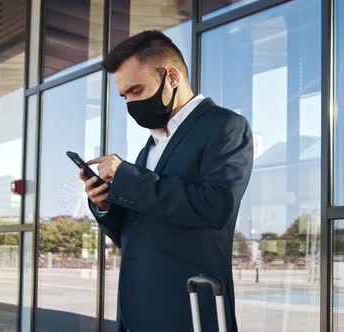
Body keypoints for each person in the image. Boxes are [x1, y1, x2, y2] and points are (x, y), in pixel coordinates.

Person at [79, 30, 253, 332]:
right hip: (136, 314)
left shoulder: (225, 126)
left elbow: (215, 206)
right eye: (124, 96)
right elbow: (139, 232)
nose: (130, 104)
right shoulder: (151, 145)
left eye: (136, 90)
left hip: (188, 311)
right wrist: (107, 205)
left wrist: (128, 177)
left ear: (171, 76)